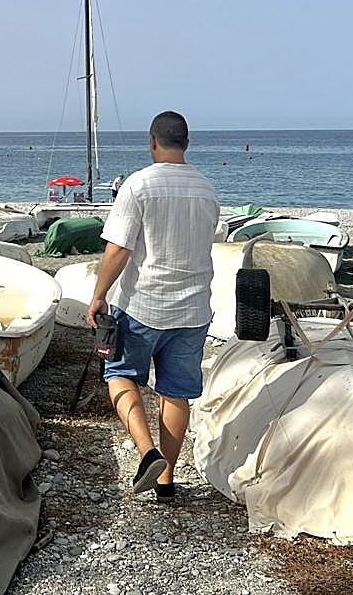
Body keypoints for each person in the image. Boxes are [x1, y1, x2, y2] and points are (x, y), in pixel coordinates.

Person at [87, 111, 220, 500]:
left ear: (152, 141)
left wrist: (98, 295)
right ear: (187, 144)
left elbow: (118, 249)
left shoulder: (139, 185)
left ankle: (148, 453)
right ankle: (166, 483)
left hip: (144, 304)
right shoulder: (207, 189)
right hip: (193, 309)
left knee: (119, 374)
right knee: (176, 393)